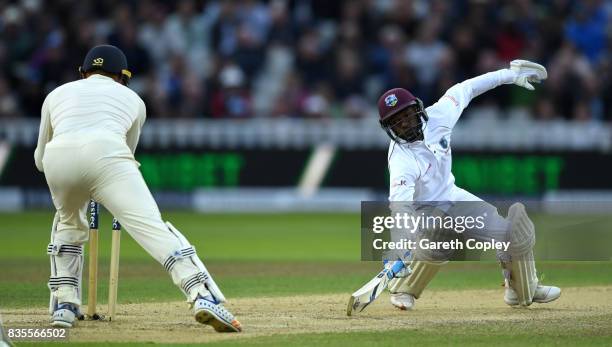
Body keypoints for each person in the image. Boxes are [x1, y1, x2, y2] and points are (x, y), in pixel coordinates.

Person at [34, 45, 241, 332]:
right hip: (108, 157)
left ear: (83, 73)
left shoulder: (56, 95)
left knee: (68, 223)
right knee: (151, 228)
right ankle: (200, 294)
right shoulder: (133, 99)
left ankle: (65, 305)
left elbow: (39, 160)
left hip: (57, 159)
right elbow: (127, 152)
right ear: (122, 76)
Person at [378, 60, 561, 310]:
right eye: (396, 122)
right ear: (390, 129)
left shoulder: (440, 114)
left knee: (510, 232)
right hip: (424, 212)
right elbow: (400, 208)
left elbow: (468, 88)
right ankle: (403, 289)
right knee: (436, 240)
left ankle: (520, 288)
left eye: (406, 116)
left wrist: (509, 75)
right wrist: (400, 244)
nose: (405, 125)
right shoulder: (401, 159)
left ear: (417, 110)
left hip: (453, 196)